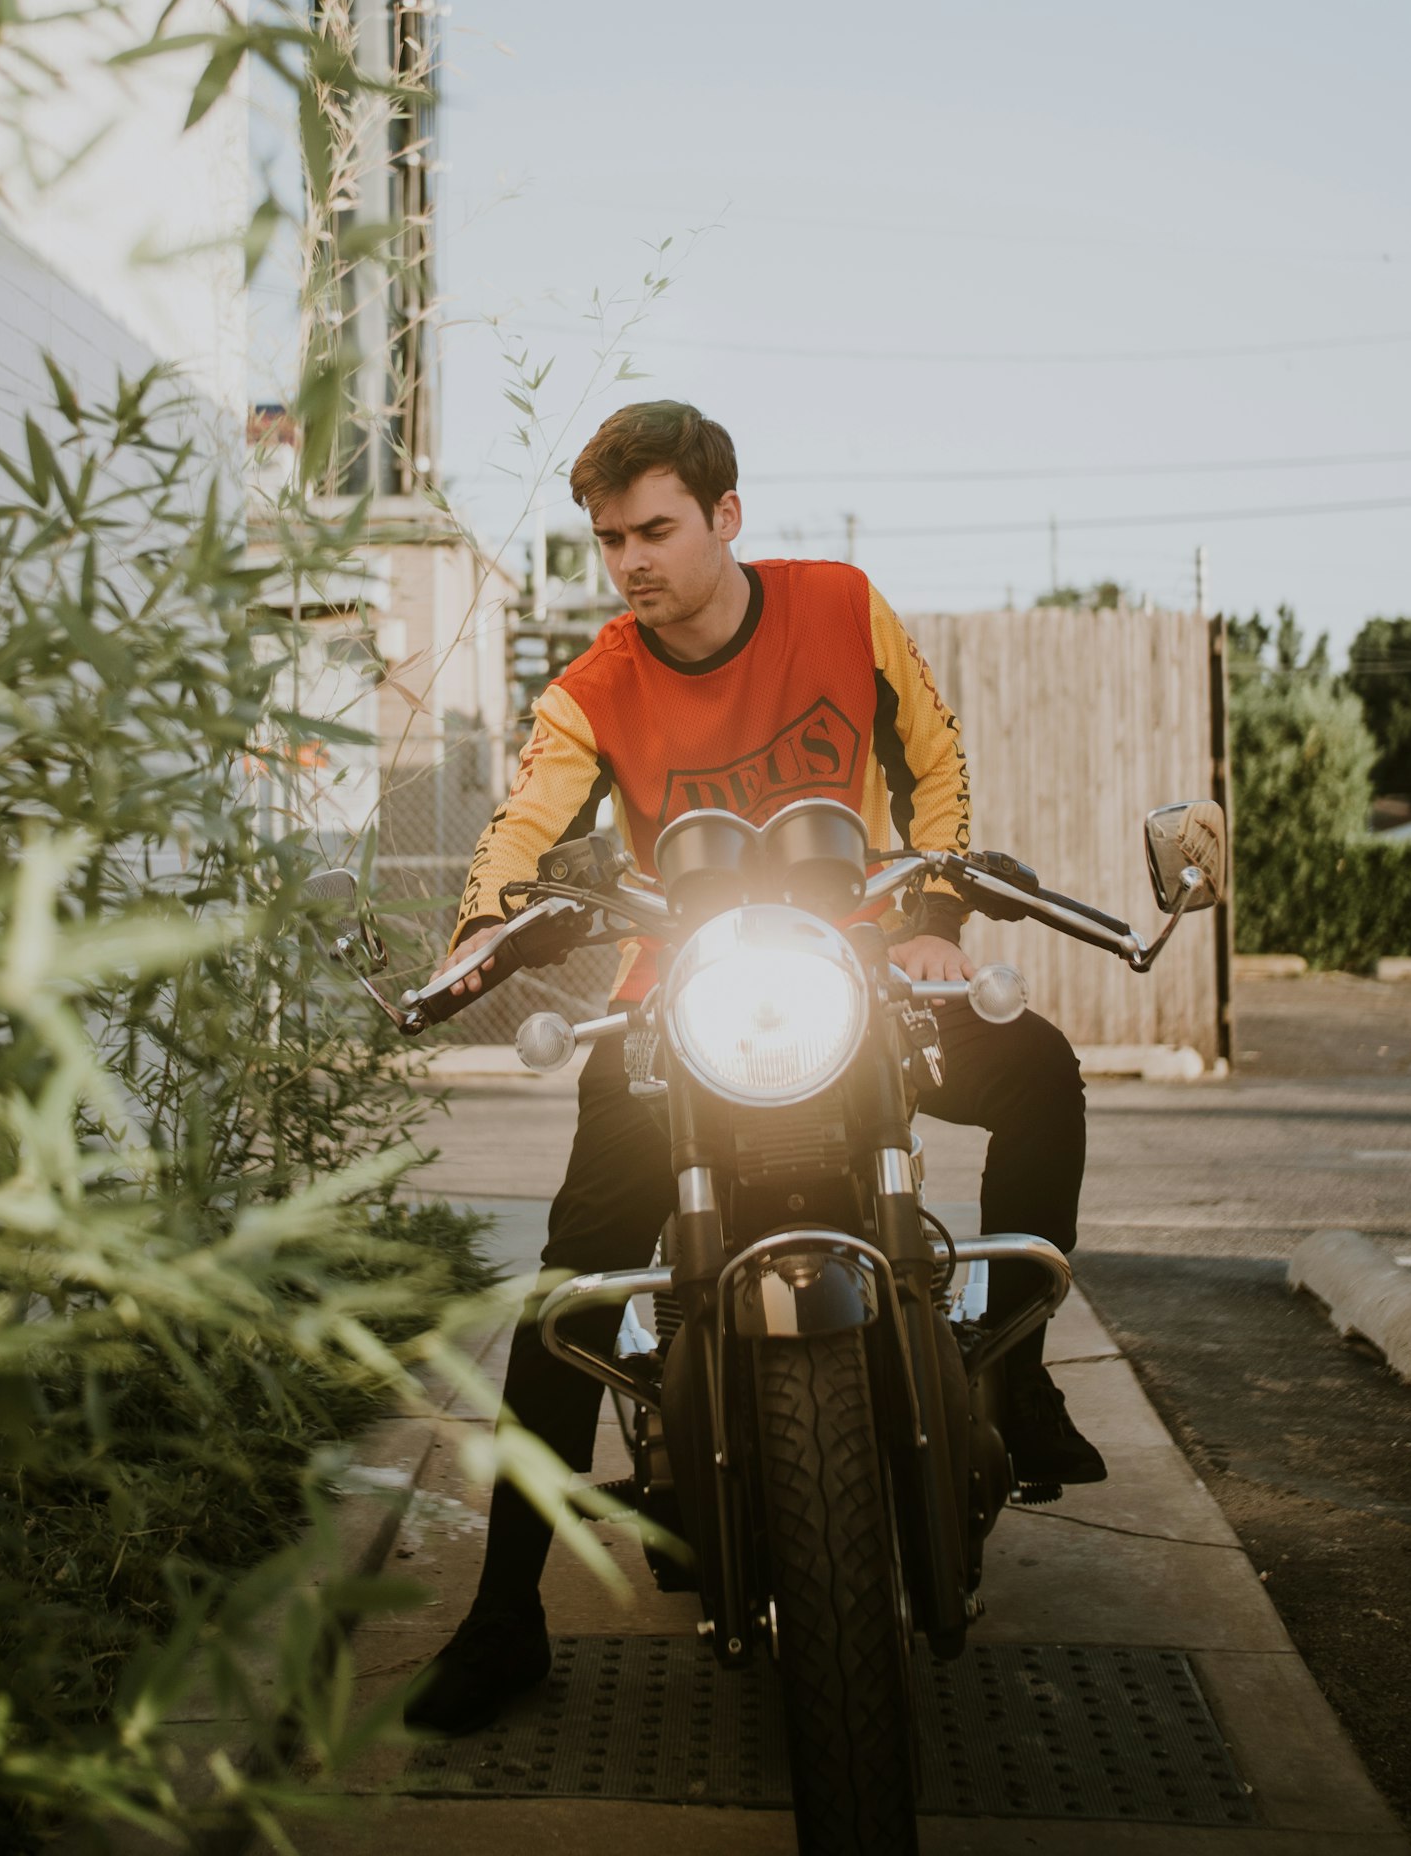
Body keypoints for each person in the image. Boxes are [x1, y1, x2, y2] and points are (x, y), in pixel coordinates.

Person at [405, 400, 1102, 1736]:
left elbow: (935, 764)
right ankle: (504, 1618)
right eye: (609, 539)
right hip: (680, 1000)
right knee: (569, 1289)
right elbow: (523, 821)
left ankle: (1016, 1362)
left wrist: (940, 923)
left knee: (1040, 1072)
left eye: (655, 529)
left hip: (860, 976)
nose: (630, 562)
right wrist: (485, 927)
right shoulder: (595, 684)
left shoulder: (841, 605)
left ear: (726, 517)